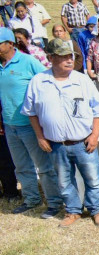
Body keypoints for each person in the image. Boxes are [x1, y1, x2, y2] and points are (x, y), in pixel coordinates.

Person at [21, 39, 99, 228]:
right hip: (56, 145)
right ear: (50, 58)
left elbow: (98, 109)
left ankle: (96, 210)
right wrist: (40, 137)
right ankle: (73, 210)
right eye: (64, 57)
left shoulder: (82, 80)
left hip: (83, 142)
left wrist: (94, 135)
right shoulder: (39, 82)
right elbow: (31, 112)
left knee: (93, 179)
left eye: (71, 56)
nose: (70, 60)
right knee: (64, 181)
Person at [0, 27, 63, 217]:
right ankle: (31, 199)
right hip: (10, 125)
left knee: (44, 167)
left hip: (30, 125)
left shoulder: (28, 62)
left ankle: (54, 202)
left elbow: (48, 82)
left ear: (10, 44)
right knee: (22, 167)